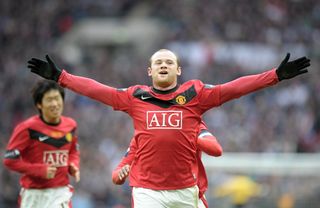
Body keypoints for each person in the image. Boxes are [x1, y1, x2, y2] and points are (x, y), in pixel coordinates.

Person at [27, 49, 310, 207]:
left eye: (169, 62)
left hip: (187, 190)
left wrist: (273, 76)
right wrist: (62, 77)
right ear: (150, 71)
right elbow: (98, 90)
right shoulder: (134, 96)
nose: (164, 65)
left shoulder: (195, 94)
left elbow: (233, 88)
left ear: (179, 70)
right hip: (148, 191)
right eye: (158, 62)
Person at [3, 80, 80, 208]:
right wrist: (39, 170)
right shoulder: (27, 128)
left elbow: (73, 151)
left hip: (60, 192)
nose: (55, 104)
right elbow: (9, 160)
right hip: (34, 195)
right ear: (39, 104)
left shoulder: (71, 125)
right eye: (49, 100)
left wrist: (73, 164)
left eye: (57, 98)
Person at [112, 122, 223, 208]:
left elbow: (216, 149)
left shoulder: (193, 124)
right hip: (152, 194)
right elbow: (116, 175)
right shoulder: (144, 132)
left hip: (187, 195)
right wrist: (121, 174)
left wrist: (188, 137)